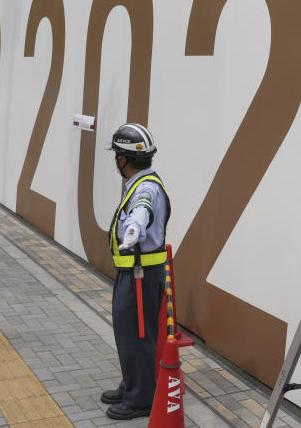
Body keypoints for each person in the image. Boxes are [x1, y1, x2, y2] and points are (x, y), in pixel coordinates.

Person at [100, 123, 171, 420]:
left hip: (140, 277)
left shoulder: (145, 189)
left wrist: (133, 229)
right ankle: (132, 385)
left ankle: (141, 399)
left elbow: (142, 212)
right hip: (135, 274)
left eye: (117, 156)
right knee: (130, 334)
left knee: (137, 335)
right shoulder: (144, 183)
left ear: (122, 160)